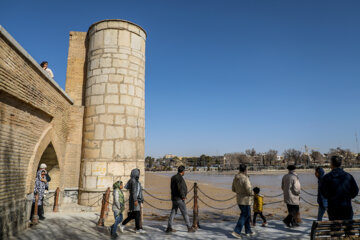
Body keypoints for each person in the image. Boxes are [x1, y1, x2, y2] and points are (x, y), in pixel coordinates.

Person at [321, 156, 359, 220]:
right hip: (347, 208)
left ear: (331, 164)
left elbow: (323, 193)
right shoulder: (349, 176)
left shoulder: (326, 177)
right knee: (347, 228)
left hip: (333, 209)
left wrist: (331, 197)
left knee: (335, 228)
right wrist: (348, 197)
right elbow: (355, 191)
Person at [166, 166, 196, 233]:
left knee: (173, 212)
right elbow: (180, 188)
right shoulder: (179, 178)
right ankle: (189, 228)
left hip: (174, 198)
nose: (184, 172)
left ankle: (169, 227)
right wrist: (183, 196)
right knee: (185, 213)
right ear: (182, 171)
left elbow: (172, 188)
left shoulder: (173, 177)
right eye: (184, 171)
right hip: (179, 198)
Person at [231, 164, 254, 239]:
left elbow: (233, 189)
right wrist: (253, 193)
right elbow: (249, 190)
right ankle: (237, 231)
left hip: (239, 199)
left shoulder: (236, 178)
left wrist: (239, 191)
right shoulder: (245, 178)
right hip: (246, 200)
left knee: (246, 215)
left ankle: (248, 230)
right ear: (245, 170)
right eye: (247, 169)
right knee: (244, 215)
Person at [121, 169, 145, 233]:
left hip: (138, 200)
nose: (139, 174)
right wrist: (135, 200)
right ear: (135, 173)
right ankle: (138, 229)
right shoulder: (133, 181)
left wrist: (142, 200)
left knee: (133, 215)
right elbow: (134, 192)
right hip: (134, 200)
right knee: (137, 214)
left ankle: (122, 224)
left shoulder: (137, 181)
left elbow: (140, 192)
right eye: (138, 173)